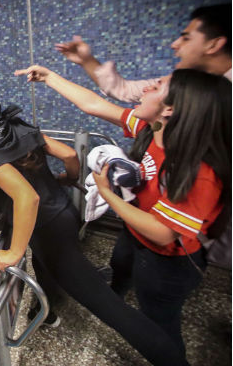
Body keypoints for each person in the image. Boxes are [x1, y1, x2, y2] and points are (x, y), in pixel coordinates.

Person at [0, 86, 194, 365]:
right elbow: (70, 154)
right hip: (65, 214)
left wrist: (13, 253)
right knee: (45, 268)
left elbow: (27, 198)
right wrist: (68, 179)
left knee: (110, 308)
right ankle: (44, 312)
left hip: (46, 231)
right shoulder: (16, 126)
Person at [18, 65, 230, 357]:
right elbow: (93, 104)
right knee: (120, 267)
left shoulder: (198, 170)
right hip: (134, 235)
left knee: (159, 324)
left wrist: (107, 193)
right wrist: (48, 77)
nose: (144, 88)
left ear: (169, 110)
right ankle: (114, 298)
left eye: (156, 87)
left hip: (167, 263)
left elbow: (163, 232)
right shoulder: (151, 128)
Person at [55, 3, 231, 102]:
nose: (174, 44)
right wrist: (86, 60)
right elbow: (123, 89)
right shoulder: (181, 84)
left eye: (186, 38)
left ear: (214, 45)